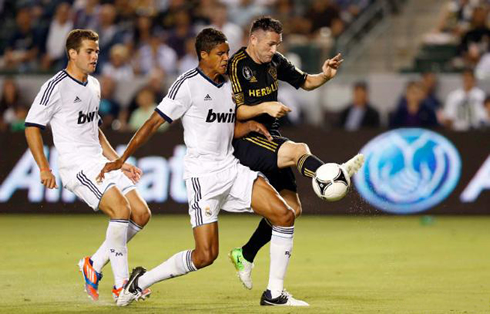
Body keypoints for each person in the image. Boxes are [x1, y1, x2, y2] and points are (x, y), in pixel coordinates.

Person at [97, 28, 309, 307]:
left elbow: (222, 126)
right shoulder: (187, 85)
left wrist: (247, 126)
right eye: (220, 53)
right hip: (203, 177)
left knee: (284, 213)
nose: (226, 58)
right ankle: (141, 281)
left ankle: (274, 293)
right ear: (203, 55)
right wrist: (123, 159)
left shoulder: (230, 84)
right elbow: (152, 123)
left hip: (231, 168)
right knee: (205, 255)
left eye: (227, 52)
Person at [227, 16, 364, 290]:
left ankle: (245, 253)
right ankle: (332, 173)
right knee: (298, 150)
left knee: (290, 210)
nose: (273, 49)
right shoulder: (236, 65)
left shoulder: (276, 61)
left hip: (270, 136)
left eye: (277, 44)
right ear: (253, 39)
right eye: (269, 44)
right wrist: (265, 107)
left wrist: (325, 75)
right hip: (244, 138)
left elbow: (305, 82)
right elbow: (236, 110)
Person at [24, 29, 151, 302]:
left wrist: (118, 161)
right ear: (72, 53)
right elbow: (32, 126)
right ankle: (122, 285)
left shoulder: (94, 84)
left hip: (99, 160)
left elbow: (95, 129)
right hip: (76, 165)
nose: (95, 56)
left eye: (96, 51)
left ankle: (92, 265)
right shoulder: (56, 86)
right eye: (89, 51)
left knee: (141, 213)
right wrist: (44, 167)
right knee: (121, 209)